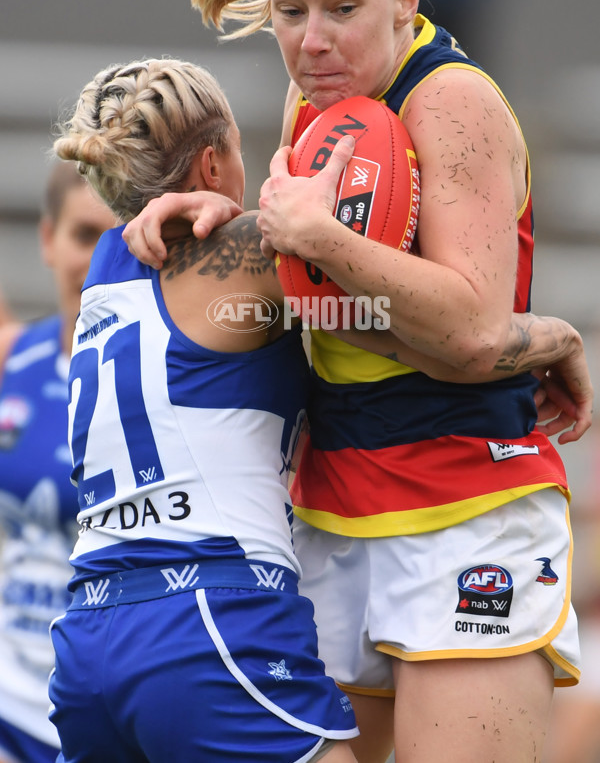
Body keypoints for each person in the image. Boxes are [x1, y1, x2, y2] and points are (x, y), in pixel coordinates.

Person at [117, 0, 595, 763]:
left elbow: (474, 333)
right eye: (291, 9)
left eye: (343, 8)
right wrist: (219, 224)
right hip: (336, 509)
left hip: (463, 503)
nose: (314, 39)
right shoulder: (321, 107)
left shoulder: (450, 100)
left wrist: (320, 239)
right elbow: (330, 302)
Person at [47, 57, 361, 763]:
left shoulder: (102, 267)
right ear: (215, 163)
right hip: (206, 618)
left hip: (88, 637)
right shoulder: (251, 252)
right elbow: (400, 313)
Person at [0, 161, 115, 763]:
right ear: (47, 239)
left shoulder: (182, 378)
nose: (100, 260)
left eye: (119, 237)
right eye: (84, 235)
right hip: (9, 705)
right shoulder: (11, 357)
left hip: (112, 714)